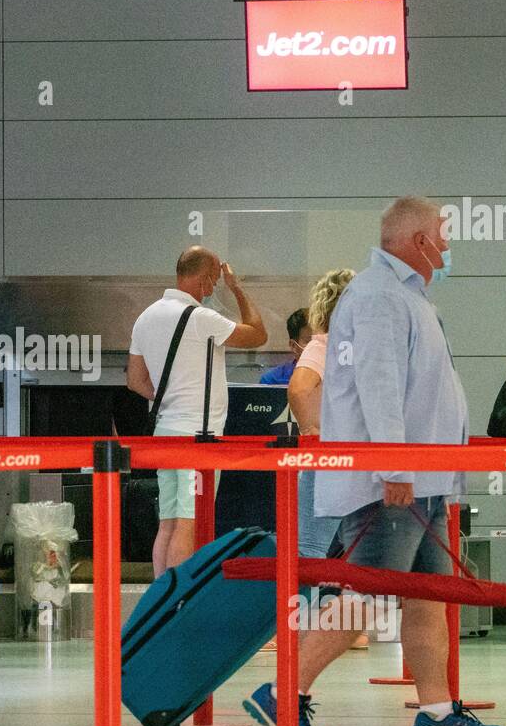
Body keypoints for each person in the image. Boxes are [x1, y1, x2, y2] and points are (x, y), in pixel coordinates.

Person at [243, 196, 506, 726]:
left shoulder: (406, 296)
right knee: (366, 593)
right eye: (443, 232)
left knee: (426, 594)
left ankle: (435, 712)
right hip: (394, 482)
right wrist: (393, 465)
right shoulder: (380, 296)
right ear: (418, 241)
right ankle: (284, 693)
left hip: (424, 479)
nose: (449, 244)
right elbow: (378, 385)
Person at [127, 246, 268, 576]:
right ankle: (180, 605)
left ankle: (159, 600)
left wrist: (170, 399)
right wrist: (237, 289)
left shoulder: (146, 317)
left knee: (168, 523)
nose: (214, 288)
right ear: (205, 278)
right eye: (215, 280)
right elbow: (258, 334)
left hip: (164, 435)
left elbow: (134, 381)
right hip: (197, 438)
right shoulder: (202, 318)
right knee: (189, 525)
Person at [273, 269, 366, 653]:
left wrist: (317, 427)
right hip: (340, 458)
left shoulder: (336, 343)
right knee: (318, 548)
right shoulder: (329, 344)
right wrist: (314, 428)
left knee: (327, 547)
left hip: (341, 457)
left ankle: (316, 626)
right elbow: (299, 387)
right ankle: (294, 627)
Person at [259, 309, 311, 385]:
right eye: (310, 341)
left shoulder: (333, 378)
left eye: (324, 340)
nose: (318, 346)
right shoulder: (272, 381)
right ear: (293, 346)